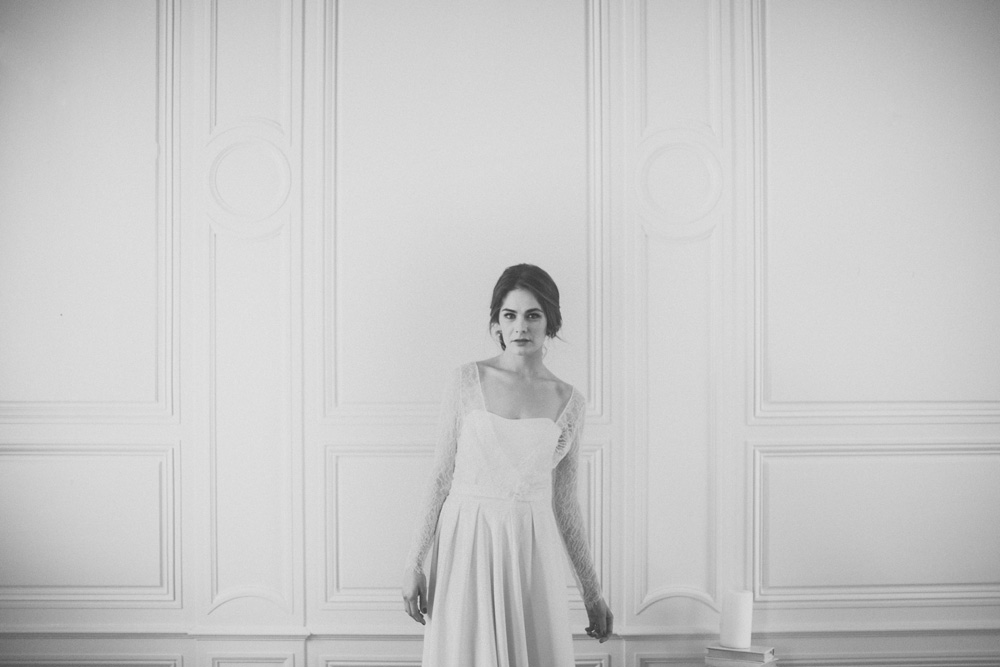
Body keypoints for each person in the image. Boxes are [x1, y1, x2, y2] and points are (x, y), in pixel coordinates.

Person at [402, 263, 613, 665]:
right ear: (497, 322)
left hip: (530, 551)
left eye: (533, 315)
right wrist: (414, 563)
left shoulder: (569, 401)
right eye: (510, 315)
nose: (520, 327)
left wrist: (592, 592)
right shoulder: (466, 381)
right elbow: (441, 477)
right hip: (467, 545)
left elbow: (566, 504)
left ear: (550, 321)